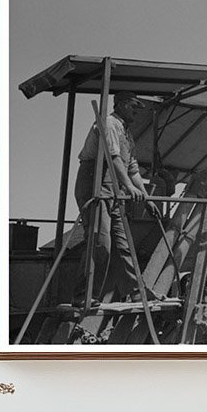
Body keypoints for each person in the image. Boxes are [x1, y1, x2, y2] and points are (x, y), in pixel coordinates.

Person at [74, 91, 148, 301]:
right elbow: (113, 158)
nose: (136, 112)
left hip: (114, 190)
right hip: (94, 183)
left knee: (124, 244)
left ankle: (135, 292)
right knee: (100, 242)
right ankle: (84, 295)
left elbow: (132, 168)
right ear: (122, 104)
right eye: (134, 106)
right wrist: (129, 187)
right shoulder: (108, 123)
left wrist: (145, 197)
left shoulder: (126, 132)